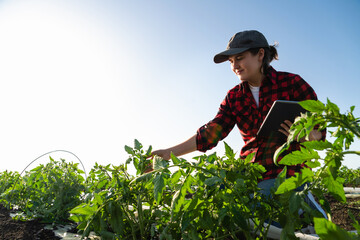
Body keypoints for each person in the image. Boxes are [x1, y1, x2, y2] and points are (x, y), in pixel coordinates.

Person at [151, 30, 327, 219]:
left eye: (240, 58)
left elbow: (319, 128)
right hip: (252, 176)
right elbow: (211, 133)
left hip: (290, 171)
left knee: (302, 218)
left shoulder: (292, 83)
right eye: (231, 61)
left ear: (260, 55)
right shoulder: (234, 97)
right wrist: (168, 153)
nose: (235, 66)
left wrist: (309, 135)